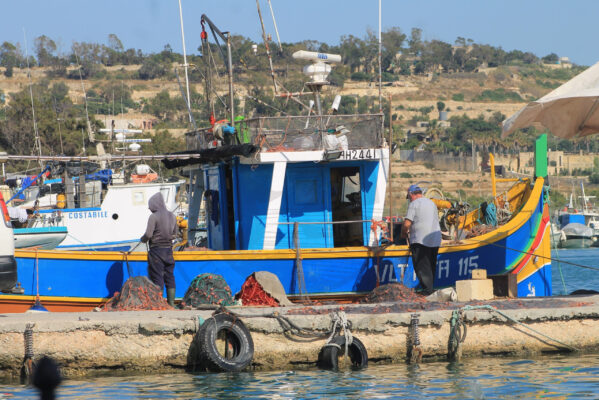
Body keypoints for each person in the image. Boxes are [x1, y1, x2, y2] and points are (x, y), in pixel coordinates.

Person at [400, 184, 441, 295]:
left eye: (409, 198)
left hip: (420, 239)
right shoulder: (431, 203)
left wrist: (403, 233)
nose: (409, 200)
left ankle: (427, 291)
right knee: (431, 264)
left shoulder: (414, 204)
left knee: (422, 265)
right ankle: (430, 289)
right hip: (435, 239)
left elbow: (407, 224)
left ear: (411, 195)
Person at [141, 192, 177, 306]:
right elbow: (175, 234)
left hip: (156, 251)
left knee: (157, 277)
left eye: (150, 206)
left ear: (155, 205)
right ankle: (171, 304)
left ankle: (159, 304)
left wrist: (142, 239)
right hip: (169, 251)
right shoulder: (172, 216)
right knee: (169, 276)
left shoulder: (153, 217)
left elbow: (148, 235)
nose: (149, 209)